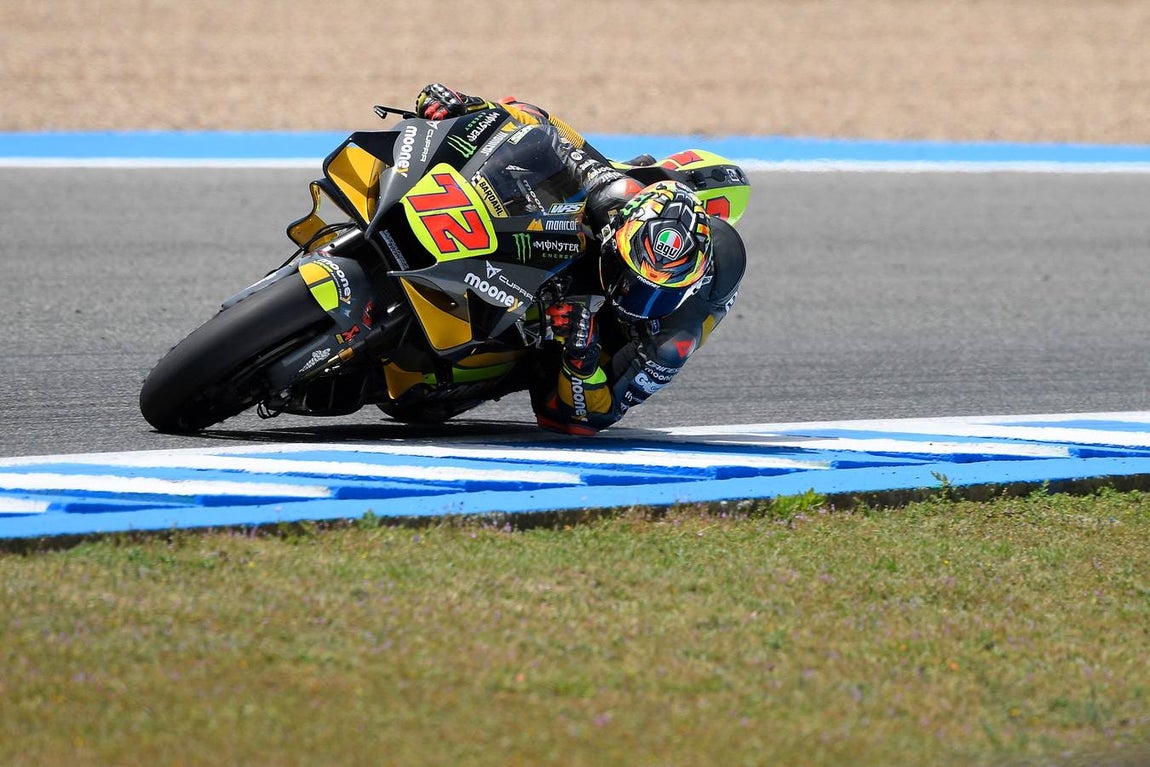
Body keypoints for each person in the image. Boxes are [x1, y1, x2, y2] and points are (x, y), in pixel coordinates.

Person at [414, 84, 747, 435]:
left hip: (584, 339)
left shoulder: (674, 336)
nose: (638, 298)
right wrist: (468, 106)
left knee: (548, 398)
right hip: (566, 250)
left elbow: (591, 418)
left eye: (655, 292)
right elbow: (544, 125)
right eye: (634, 280)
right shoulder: (619, 196)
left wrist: (582, 359)